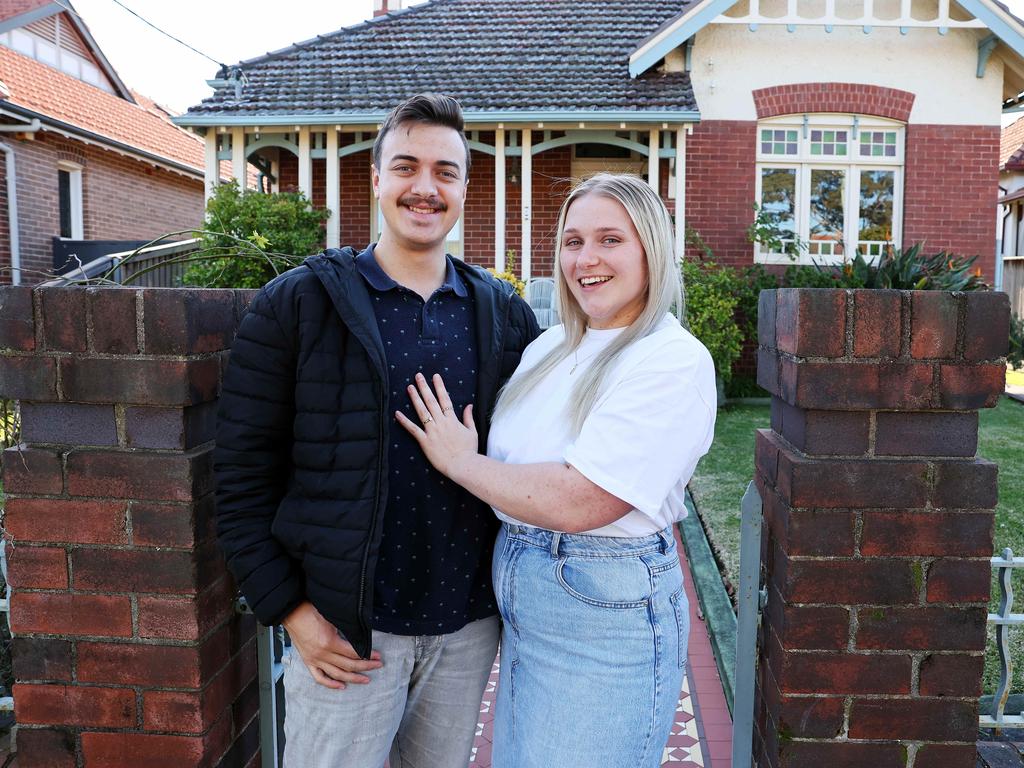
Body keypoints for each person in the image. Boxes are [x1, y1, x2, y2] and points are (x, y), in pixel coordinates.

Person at [214, 93, 539, 768]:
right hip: (346, 631)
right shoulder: (299, 305)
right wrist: (293, 615)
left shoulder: (503, 316)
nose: (425, 187)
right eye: (407, 166)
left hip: (466, 628)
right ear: (378, 179)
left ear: (465, 187)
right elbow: (241, 477)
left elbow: (531, 463)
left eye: (445, 172)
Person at [397, 172, 717, 768]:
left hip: (604, 609)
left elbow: (584, 499)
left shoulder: (672, 361)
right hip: (526, 594)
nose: (585, 259)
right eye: (572, 242)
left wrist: (461, 463)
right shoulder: (551, 347)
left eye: (609, 240)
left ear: (653, 248)